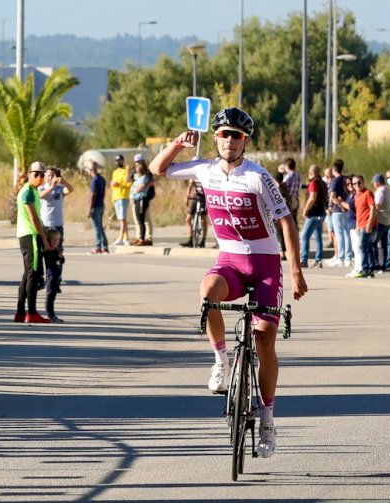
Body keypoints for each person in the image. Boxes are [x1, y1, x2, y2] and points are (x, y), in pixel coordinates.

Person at [149, 107, 307, 459]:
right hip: (230, 261)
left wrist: (295, 270)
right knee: (208, 293)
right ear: (216, 137)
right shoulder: (204, 168)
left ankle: (267, 419)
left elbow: (286, 221)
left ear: (245, 141)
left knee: (265, 338)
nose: (229, 140)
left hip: (265, 265)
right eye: (224, 134)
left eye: (237, 135)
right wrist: (178, 143)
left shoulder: (258, 176)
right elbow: (156, 169)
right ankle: (221, 361)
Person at [14, 162, 52, 323]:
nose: (39, 177)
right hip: (31, 235)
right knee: (33, 275)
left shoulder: (34, 192)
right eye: (36, 174)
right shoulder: (28, 192)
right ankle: (32, 312)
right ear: (29, 174)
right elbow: (34, 218)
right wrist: (44, 238)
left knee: (26, 275)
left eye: (42, 175)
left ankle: (21, 312)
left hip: (27, 235)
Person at [300, 164, 327, 268]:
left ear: (310, 173)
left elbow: (312, 197)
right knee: (318, 237)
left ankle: (304, 259)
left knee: (304, 236)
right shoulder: (323, 183)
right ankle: (319, 259)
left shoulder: (313, 183)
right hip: (321, 214)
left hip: (314, 214)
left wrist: (306, 209)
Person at [326, 159, 353, 267]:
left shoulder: (335, 180)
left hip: (337, 209)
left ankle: (340, 257)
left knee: (339, 234)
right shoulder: (345, 179)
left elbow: (332, 194)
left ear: (334, 169)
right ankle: (348, 257)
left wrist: (329, 206)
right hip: (346, 208)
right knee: (347, 233)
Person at [39, 166, 73, 249]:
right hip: (46, 224)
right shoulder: (41, 188)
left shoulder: (60, 188)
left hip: (57, 224)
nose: (51, 177)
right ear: (45, 177)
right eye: (49, 175)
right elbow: (40, 195)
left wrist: (63, 181)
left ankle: (58, 261)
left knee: (58, 250)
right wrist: (51, 187)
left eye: (53, 175)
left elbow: (70, 189)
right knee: (46, 250)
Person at [353, 174, 377, 278]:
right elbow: (359, 212)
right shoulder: (357, 195)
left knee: (362, 246)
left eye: (359, 182)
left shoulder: (368, 193)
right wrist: (357, 225)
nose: (357, 185)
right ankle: (370, 269)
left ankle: (364, 268)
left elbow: (372, 208)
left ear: (363, 182)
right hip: (361, 224)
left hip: (367, 224)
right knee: (368, 247)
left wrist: (369, 223)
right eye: (355, 183)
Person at [372, 173, 390, 272]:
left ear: (376, 183)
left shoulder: (380, 192)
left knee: (374, 242)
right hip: (388, 220)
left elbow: (377, 206)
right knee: (384, 244)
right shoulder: (389, 191)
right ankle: (385, 264)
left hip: (380, 220)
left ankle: (376, 264)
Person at [132, 154, 155, 245]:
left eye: (139, 161)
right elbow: (130, 182)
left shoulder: (147, 173)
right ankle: (139, 237)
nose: (138, 163)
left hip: (145, 197)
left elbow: (152, 181)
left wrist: (144, 186)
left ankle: (148, 238)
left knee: (146, 219)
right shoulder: (135, 172)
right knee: (138, 219)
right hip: (136, 198)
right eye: (136, 162)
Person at [43, 228, 65, 323]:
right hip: (51, 276)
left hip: (56, 276)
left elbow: (62, 261)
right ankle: (50, 315)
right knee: (50, 296)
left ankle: (52, 314)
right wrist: (57, 256)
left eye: (57, 239)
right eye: (53, 239)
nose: (55, 241)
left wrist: (60, 256)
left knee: (53, 296)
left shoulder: (56, 250)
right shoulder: (48, 251)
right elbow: (51, 261)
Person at [110, 154, 133, 246]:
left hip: (123, 196)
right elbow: (113, 184)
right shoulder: (115, 172)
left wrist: (118, 184)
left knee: (123, 219)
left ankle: (121, 237)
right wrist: (113, 184)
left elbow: (127, 183)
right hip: (116, 196)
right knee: (121, 219)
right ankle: (125, 238)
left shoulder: (125, 171)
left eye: (119, 160)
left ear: (122, 161)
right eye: (116, 161)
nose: (118, 162)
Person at [87, 160, 109, 254]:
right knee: (100, 226)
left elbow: (92, 195)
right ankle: (105, 246)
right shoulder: (102, 179)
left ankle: (98, 246)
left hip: (95, 206)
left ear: (90, 169)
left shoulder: (94, 180)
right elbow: (103, 193)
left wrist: (89, 209)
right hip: (101, 205)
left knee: (96, 227)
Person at [180, 178, 207, 247]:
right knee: (188, 219)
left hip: (205, 198)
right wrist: (187, 196)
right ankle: (190, 240)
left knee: (204, 218)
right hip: (196, 196)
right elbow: (190, 185)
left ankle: (203, 240)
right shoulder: (195, 174)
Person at [282, 157, 301, 221]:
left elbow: (282, 187)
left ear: (287, 166)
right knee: (294, 219)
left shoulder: (288, 176)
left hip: (289, 199)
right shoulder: (298, 175)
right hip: (296, 198)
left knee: (288, 220)